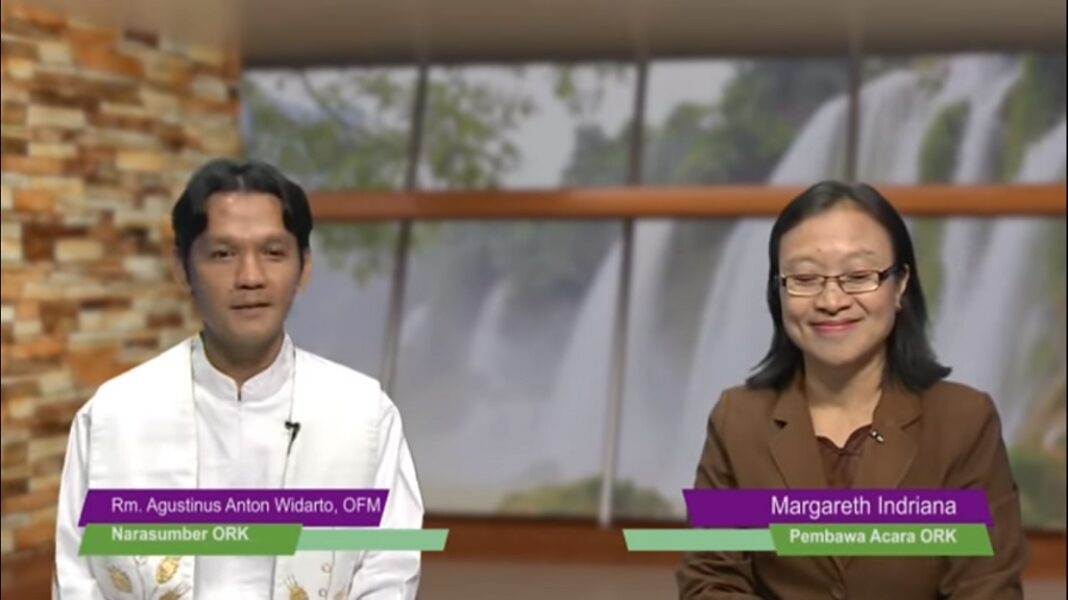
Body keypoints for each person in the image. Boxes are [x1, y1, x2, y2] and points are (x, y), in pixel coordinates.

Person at [54, 159, 424, 599]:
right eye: (223, 254)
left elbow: (389, 570)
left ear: (304, 267)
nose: (250, 278)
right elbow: (77, 579)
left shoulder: (365, 414)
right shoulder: (113, 414)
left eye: (273, 252)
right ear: (182, 268)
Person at [677, 181, 1026, 599]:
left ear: (900, 285)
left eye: (858, 276)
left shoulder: (963, 421)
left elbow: (986, 587)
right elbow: (710, 579)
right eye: (805, 278)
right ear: (778, 291)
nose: (831, 300)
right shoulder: (738, 418)